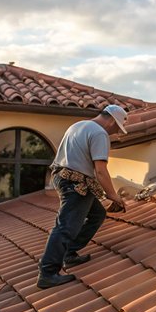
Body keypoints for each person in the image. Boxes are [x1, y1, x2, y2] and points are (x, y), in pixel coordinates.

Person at [37, 104, 129, 289]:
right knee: (65, 227)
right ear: (111, 120)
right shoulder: (99, 133)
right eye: (116, 128)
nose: (115, 132)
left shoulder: (78, 125)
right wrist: (113, 196)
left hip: (63, 178)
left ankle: (69, 253)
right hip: (76, 184)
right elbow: (101, 170)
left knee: (97, 215)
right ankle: (47, 273)